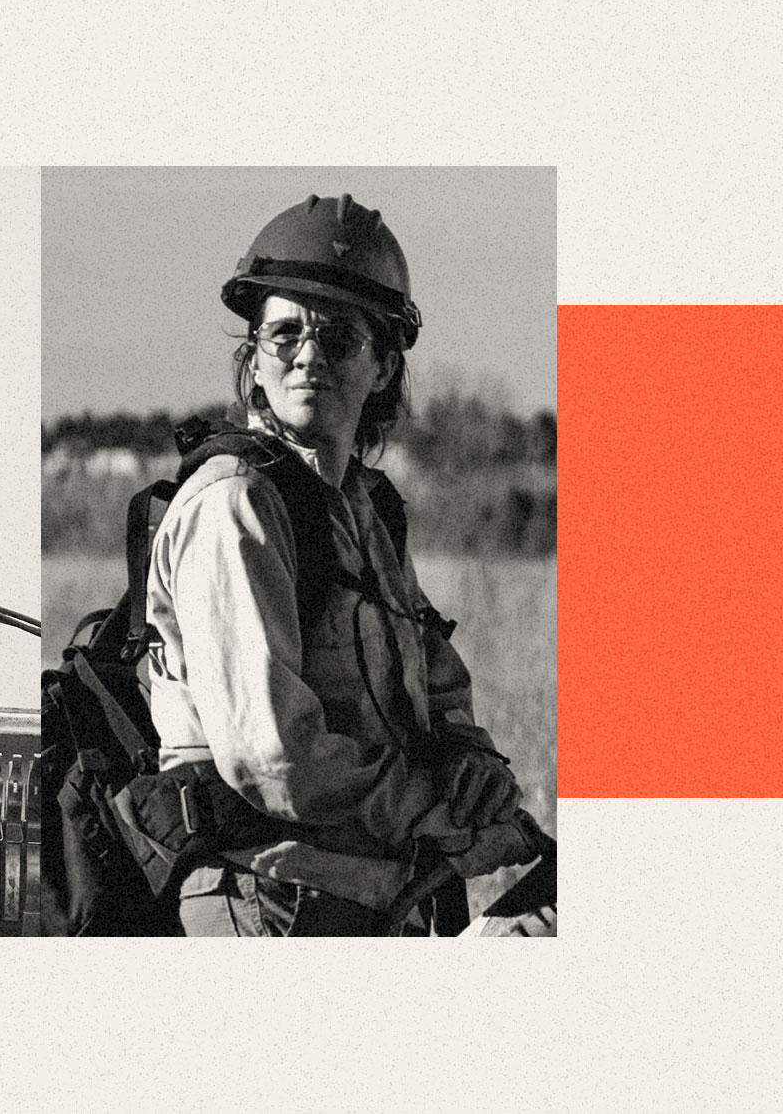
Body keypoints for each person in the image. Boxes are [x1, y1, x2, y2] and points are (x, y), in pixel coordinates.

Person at [140, 194, 538, 935]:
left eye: (339, 336)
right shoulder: (234, 505)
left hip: (375, 896)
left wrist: (468, 759)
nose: (308, 355)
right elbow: (273, 756)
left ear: (385, 364)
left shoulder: (366, 507)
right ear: (253, 357)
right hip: (270, 899)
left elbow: (435, 674)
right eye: (284, 332)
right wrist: (442, 823)